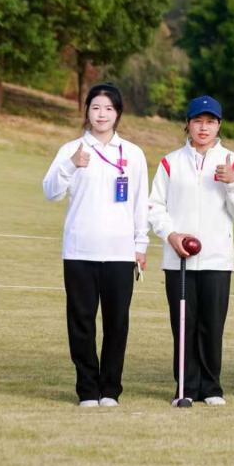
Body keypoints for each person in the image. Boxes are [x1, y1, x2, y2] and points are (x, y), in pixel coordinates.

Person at [43, 83, 148, 408]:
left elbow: (140, 203)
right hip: (80, 251)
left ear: (118, 113)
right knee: (81, 322)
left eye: (109, 109)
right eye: (96, 108)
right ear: (87, 111)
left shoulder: (132, 153)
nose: (102, 114)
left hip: (119, 253)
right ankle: (87, 389)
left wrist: (140, 245)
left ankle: (110, 390)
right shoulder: (71, 149)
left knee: (117, 324)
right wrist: (71, 164)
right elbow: (50, 191)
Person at [148, 95, 234, 406]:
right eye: (198, 121)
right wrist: (171, 235)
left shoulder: (233, 161)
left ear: (219, 125)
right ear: (188, 124)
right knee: (183, 324)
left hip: (217, 259)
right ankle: (185, 387)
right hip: (178, 258)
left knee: (212, 325)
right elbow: (154, 206)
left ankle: (211, 387)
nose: (203, 128)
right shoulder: (170, 162)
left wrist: (233, 183)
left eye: (210, 122)